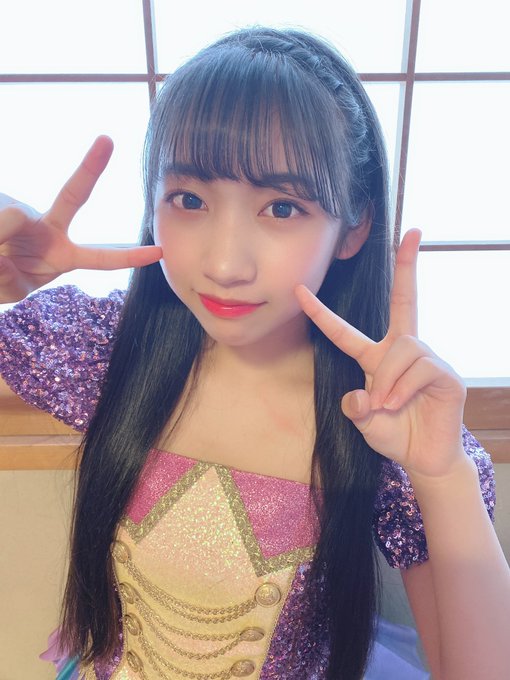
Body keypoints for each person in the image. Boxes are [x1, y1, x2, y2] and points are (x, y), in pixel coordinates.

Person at [0, 27, 508, 680]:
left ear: (353, 227)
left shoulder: (389, 421)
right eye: (189, 200)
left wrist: (441, 476)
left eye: (281, 208)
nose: (224, 264)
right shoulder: (104, 347)